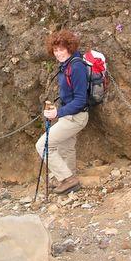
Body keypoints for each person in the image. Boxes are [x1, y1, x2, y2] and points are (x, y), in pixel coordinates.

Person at [35, 29, 89, 194]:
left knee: (43, 145)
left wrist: (57, 113)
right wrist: (56, 110)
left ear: (70, 48)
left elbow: (80, 100)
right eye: (55, 50)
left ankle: (67, 179)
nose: (58, 53)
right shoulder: (66, 65)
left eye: (61, 49)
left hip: (76, 117)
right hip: (69, 115)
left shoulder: (77, 66)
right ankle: (67, 179)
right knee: (66, 147)